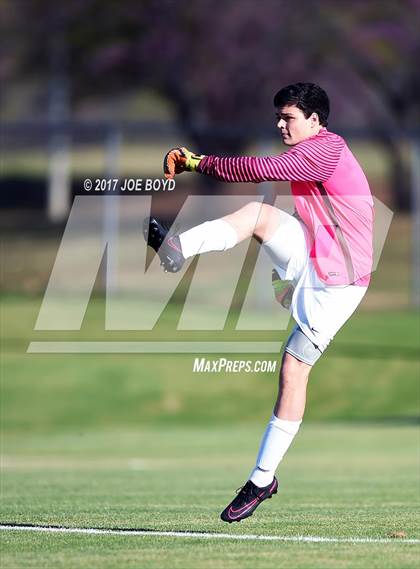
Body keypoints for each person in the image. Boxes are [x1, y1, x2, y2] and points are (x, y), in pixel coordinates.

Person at [143, 82, 374, 523]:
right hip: (313, 255)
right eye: (279, 116)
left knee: (293, 370)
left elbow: (258, 167)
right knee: (258, 216)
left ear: (315, 121)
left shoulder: (324, 149)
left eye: (288, 117)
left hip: (340, 283)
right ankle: (175, 252)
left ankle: (262, 478)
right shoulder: (314, 148)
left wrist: (197, 161)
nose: (280, 124)